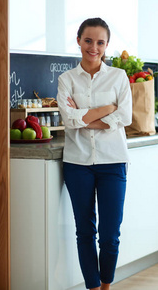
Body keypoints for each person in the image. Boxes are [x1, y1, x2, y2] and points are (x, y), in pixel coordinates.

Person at [57, 17, 132, 290]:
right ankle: (92, 287)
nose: (94, 47)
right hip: (77, 164)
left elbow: (125, 116)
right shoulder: (66, 80)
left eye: (100, 42)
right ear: (79, 41)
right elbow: (69, 118)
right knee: (85, 232)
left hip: (113, 162)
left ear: (107, 45)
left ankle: (106, 286)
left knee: (110, 235)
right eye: (88, 40)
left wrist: (85, 116)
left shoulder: (118, 77)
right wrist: (107, 109)